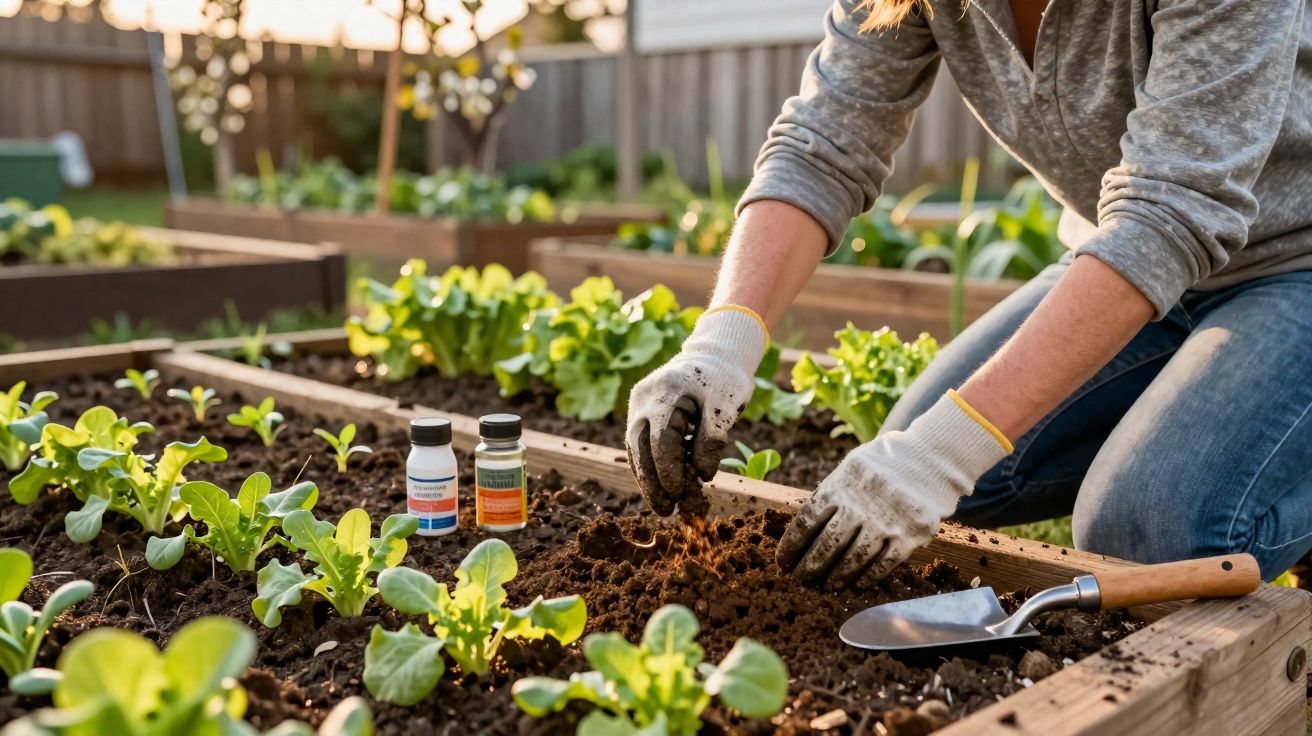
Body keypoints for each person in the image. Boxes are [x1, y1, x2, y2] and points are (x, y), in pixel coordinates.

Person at [625, 0, 1312, 585]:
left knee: (1147, 529)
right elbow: (823, 145)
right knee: (952, 472)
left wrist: (941, 454)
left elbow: (1172, 213)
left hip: (1295, 260)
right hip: (1141, 268)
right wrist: (720, 344)